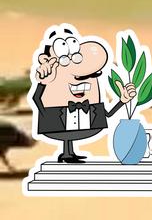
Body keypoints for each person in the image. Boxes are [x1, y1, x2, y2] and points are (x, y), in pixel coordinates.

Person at [29, 26, 137, 162]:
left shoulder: (91, 85)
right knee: (66, 132)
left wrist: (122, 100)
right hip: (57, 117)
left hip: (84, 118)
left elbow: (107, 114)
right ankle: (67, 154)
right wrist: (47, 116)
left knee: (70, 133)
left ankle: (69, 153)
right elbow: (35, 97)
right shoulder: (51, 76)